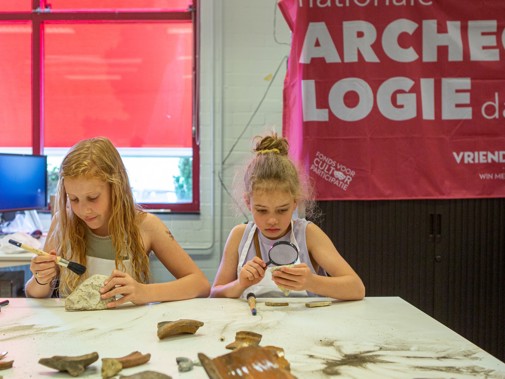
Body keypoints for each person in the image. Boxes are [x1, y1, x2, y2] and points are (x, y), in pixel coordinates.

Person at [25, 137, 210, 306]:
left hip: (129, 332)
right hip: (74, 332)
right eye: (74, 199)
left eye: (93, 197)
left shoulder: (145, 226)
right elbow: (36, 294)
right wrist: (41, 278)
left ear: (116, 188)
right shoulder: (62, 223)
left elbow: (200, 284)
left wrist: (145, 292)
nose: (83, 210)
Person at [210, 132, 365, 300]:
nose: (272, 220)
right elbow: (214, 295)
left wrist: (311, 282)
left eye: (282, 210)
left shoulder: (308, 234)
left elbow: (356, 289)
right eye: (262, 210)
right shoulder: (239, 236)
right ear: (248, 203)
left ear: (295, 202)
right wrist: (239, 284)